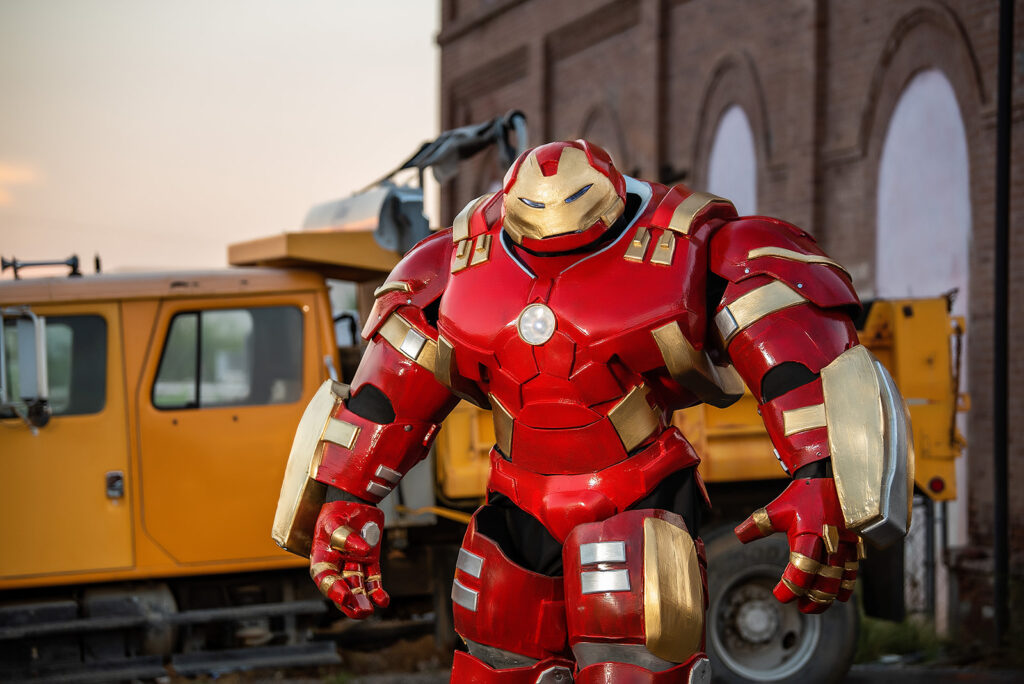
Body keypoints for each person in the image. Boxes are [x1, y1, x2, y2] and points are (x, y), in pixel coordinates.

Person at [275, 140, 911, 683]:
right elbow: (384, 399)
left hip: (637, 492)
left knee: (635, 649)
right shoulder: (452, 265)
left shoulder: (701, 248)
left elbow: (803, 370)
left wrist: (821, 480)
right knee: (493, 651)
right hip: (515, 499)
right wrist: (345, 497)